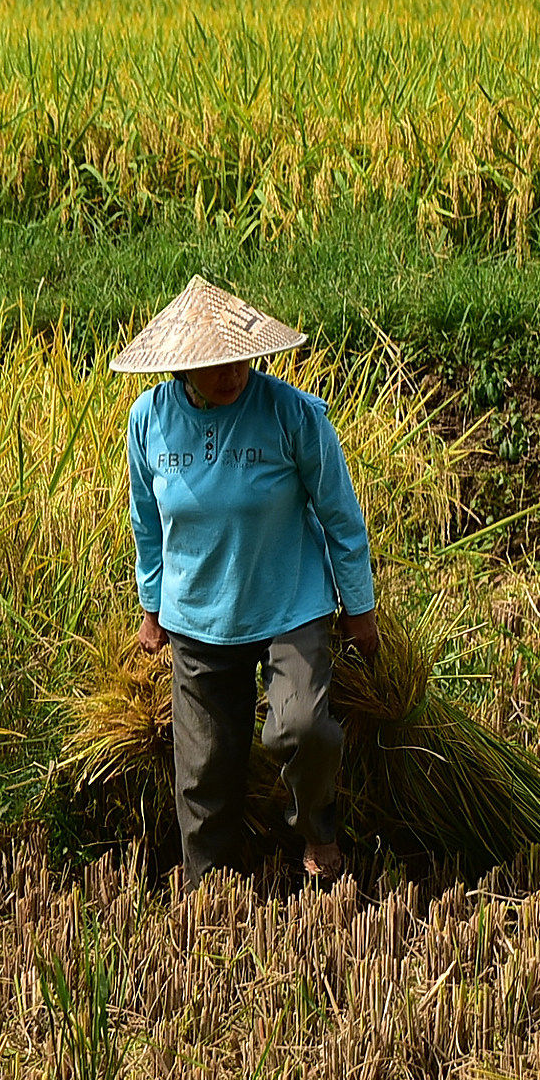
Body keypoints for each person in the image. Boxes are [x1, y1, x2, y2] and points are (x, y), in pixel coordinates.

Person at [112, 277, 380, 887]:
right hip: (198, 616)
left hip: (291, 605)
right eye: (213, 364)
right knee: (203, 765)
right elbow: (146, 522)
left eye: (239, 358)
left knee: (301, 727)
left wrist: (358, 609)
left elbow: (340, 514)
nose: (231, 373)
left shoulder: (293, 415)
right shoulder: (149, 421)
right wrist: (151, 609)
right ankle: (212, 888)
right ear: (182, 366)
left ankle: (316, 826)